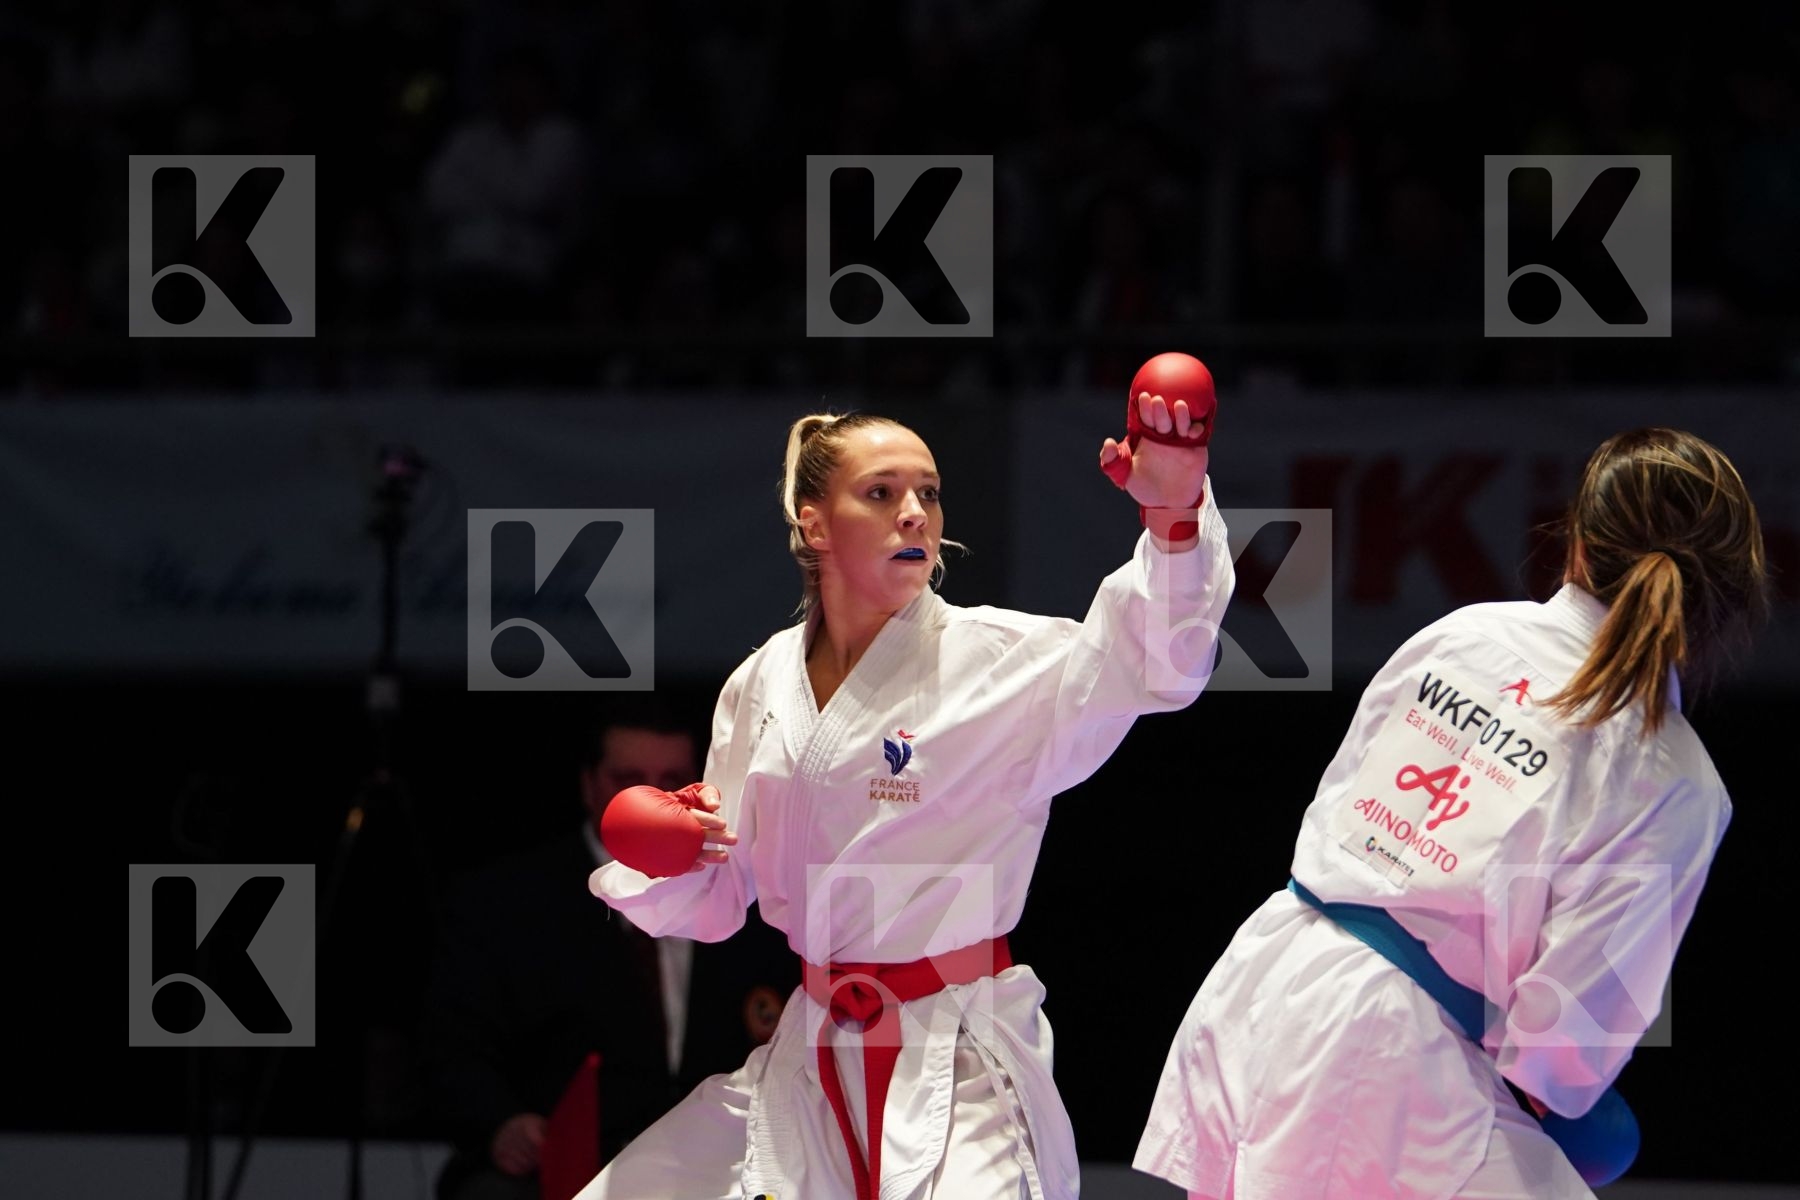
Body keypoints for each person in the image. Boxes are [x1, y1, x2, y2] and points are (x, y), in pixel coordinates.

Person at [576, 396, 1233, 1199]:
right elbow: (722, 899)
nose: (916, 514)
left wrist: (1171, 516)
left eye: (929, 493)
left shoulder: (996, 660)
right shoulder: (761, 685)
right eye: (882, 494)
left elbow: (1154, 667)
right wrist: (669, 857)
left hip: (956, 1054)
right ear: (816, 526)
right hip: (810, 1053)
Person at [1136, 428, 1770, 1199]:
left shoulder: (1465, 633)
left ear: (1576, 541)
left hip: (1269, 980)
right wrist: (1573, 1101)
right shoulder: (1675, 776)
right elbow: (1559, 1045)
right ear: (1732, 592)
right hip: (1391, 1069)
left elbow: (1334, 806)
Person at [423, 713, 798, 1200]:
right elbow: (453, 1044)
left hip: (714, 1162)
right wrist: (503, 1123)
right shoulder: (511, 902)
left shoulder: (758, 896)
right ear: (589, 785)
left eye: (670, 783)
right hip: (561, 1163)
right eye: (628, 782)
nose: (652, 800)